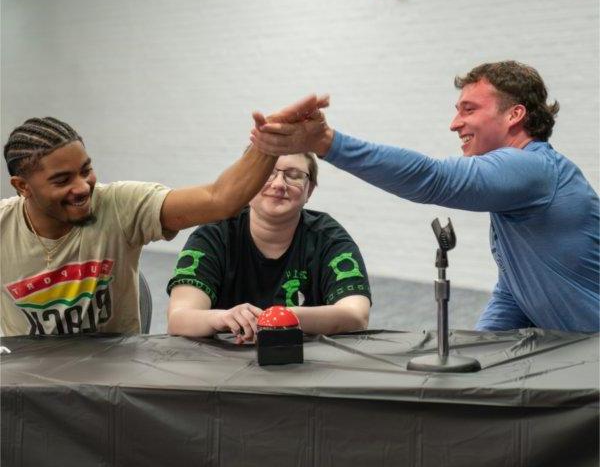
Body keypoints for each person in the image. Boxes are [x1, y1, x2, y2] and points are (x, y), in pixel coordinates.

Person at [250, 61, 599, 333]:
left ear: (514, 115)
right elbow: (516, 286)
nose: (454, 123)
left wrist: (326, 141)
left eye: (469, 109)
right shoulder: (518, 185)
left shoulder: (531, 169)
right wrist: (483, 348)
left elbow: (433, 178)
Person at [0, 95, 326, 336]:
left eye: (86, 170)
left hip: (109, 381)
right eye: (62, 180)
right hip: (26, 385)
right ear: (22, 186)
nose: (82, 186)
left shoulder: (121, 205)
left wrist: (269, 147)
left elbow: (219, 199)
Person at [167, 151, 371, 343]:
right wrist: (222, 318)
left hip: (305, 365)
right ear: (248, 182)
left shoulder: (329, 239)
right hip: (223, 363)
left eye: (293, 175)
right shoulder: (214, 236)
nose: (279, 184)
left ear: (309, 190)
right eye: (267, 173)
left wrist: (279, 317)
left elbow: (356, 315)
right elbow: (178, 319)